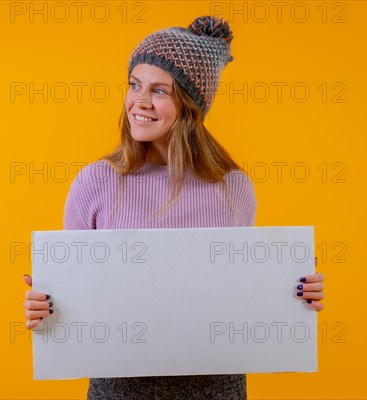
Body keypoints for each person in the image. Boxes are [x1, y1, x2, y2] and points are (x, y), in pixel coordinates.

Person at [22, 15, 325, 400]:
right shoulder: (94, 182)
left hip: (217, 387)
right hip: (120, 389)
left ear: (190, 105)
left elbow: (235, 295)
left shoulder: (233, 188)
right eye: (134, 85)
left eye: (159, 91)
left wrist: (293, 296)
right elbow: (78, 300)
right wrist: (48, 305)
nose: (139, 102)